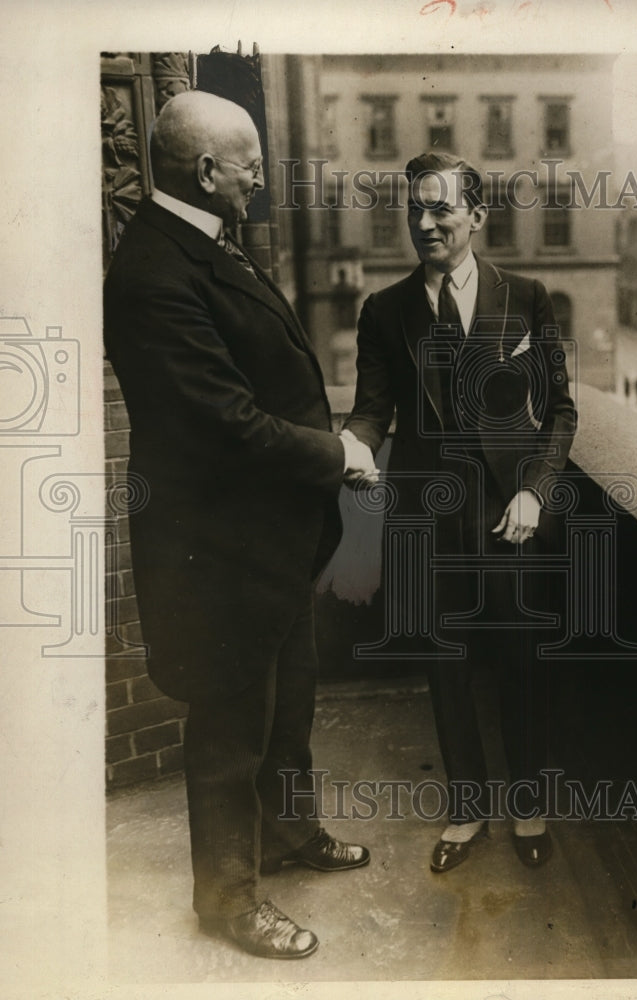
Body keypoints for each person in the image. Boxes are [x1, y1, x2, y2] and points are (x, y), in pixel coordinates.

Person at [103, 90, 376, 960]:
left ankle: (289, 836)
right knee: (229, 729)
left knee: (286, 702)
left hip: (270, 537)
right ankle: (228, 900)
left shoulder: (205, 239)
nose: (261, 176)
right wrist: (338, 456)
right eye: (249, 162)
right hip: (216, 555)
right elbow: (222, 421)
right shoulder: (153, 271)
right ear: (208, 169)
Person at [343, 152, 577, 873]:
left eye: (440, 209)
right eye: (415, 209)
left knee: (520, 664)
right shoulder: (384, 311)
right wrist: (352, 446)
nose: (424, 223)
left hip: (511, 515)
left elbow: (560, 412)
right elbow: (372, 409)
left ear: (477, 216)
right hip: (425, 516)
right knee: (443, 667)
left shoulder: (528, 296)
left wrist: (535, 489)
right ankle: (467, 809)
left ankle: (528, 806)